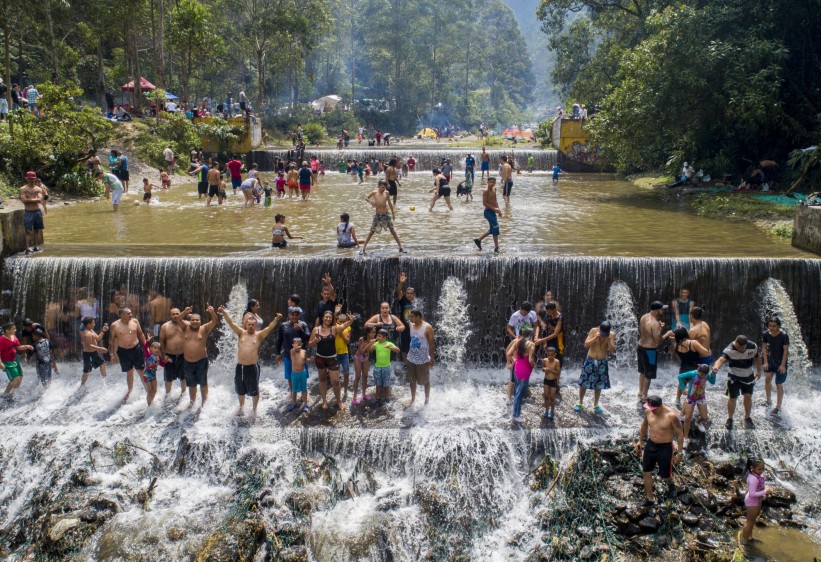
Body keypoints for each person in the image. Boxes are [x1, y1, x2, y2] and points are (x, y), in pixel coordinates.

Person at [219, 306, 283, 418]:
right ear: (246, 325)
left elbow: (269, 328)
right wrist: (224, 312)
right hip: (240, 366)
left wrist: (276, 319)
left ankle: (254, 410)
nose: (251, 326)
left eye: (253, 325)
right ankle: (241, 408)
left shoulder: (259, 335)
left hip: (252, 367)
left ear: (256, 326)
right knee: (240, 389)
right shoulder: (241, 333)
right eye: (249, 324)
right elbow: (231, 322)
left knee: (254, 390)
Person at [635, 396, 684, 506]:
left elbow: (680, 434)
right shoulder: (648, 411)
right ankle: (650, 499)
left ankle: (671, 483)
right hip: (651, 445)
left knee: (665, 476)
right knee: (646, 471)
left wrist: (680, 453)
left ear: (660, 406)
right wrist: (640, 441)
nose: (651, 410)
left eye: (654, 409)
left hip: (665, 448)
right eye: (650, 408)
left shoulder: (671, 416)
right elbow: (644, 425)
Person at [711, 335, 761, 429]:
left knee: (748, 396)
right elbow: (721, 360)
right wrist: (716, 367)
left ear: (746, 344)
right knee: (733, 398)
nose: (741, 349)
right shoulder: (730, 349)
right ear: (735, 342)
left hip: (748, 375)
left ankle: (747, 417)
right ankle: (730, 418)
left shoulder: (752, 346)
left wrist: (758, 371)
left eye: (743, 347)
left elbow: (758, 357)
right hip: (733, 376)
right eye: (739, 347)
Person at [310, 305, 355, 410]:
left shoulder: (334, 329)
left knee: (335, 381)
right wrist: (314, 341)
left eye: (330, 317)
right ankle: (324, 401)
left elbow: (344, 326)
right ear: (322, 318)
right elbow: (310, 344)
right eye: (326, 317)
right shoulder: (316, 329)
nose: (328, 319)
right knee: (322, 379)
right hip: (320, 358)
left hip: (332, 358)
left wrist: (351, 320)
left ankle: (338, 401)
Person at [178, 305, 219, 409]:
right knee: (191, 384)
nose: (195, 321)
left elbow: (214, 321)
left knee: (203, 383)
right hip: (187, 361)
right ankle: (192, 402)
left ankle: (204, 403)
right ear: (190, 320)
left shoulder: (204, 328)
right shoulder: (185, 328)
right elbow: (178, 319)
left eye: (197, 320)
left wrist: (212, 312)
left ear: (200, 321)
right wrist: (184, 312)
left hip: (201, 361)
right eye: (193, 320)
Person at [663, 327, 711, 409]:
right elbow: (706, 353)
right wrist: (709, 349)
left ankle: (677, 400)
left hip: (683, 368)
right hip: (695, 370)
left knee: (682, 384)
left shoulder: (676, 346)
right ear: (686, 334)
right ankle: (694, 404)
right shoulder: (693, 343)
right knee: (695, 387)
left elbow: (679, 359)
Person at [575, 321, 616, 414]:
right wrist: (595, 337)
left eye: (605, 334)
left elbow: (612, 350)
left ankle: (596, 404)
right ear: (599, 328)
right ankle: (580, 402)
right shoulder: (593, 331)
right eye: (602, 333)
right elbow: (586, 345)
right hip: (590, 360)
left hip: (602, 362)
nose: (603, 335)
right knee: (584, 383)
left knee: (599, 384)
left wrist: (609, 340)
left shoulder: (611, 335)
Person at [109, 307, 147, 402]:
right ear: (122, 315)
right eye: (128, 313)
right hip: (123, 351)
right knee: (129, 373)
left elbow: (141, 334)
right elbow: (111, 341)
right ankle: (130, 391)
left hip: (136, 349)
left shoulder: (135, 321)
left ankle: (148, 390)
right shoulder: (115, 325)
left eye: (131, 313)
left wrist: (147, 347)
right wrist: (111, 354)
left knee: (141, 371)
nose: (131, 315)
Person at [360, 180, 407, 255]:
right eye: (382, 187)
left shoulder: (387, 193)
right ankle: (363, 249)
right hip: (377, 215)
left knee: (393, 231)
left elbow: (390, 203)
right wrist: (371, 202)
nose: (383, 189)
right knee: (371, 232)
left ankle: (401, 247)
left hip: (386, 214)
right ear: (378, 186)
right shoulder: (374, 192)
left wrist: (393, 213)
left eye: (384, 187)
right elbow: (366, 198)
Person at [677, 364, 716, 446]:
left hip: (701, 397)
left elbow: (713, 382)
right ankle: (686, 438)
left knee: (705, 417)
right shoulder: (692, 373)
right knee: (687, 418)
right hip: (691, 397)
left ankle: (698, 422)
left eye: (704, 375)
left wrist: (713, 374)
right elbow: (680, 376)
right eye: (700, 374)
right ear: (698, 370)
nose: (702, 376)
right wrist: (683, 388)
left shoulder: (707, 375)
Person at [276, 307, 311, 398]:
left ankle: (303, 397)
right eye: (292, 314)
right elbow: (279, 340)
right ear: (289, 315)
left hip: (301, 358)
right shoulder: (283, 326)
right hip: (288, 356)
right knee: (290, 377)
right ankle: (293, 394)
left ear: (299, 315)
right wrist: (277, 353)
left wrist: (300, 330)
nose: (294, 317)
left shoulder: (303, 325)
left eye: (297, 315)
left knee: (302, 376)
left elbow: (308, 338)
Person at [506, 302, 537, 400]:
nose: (525, 314)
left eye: (526, 312)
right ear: (520, 309)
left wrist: (536, 336)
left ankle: (522, 391)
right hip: (518, 340)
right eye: (523, 311)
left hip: (526, 342)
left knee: (523, 371)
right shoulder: (515, 316)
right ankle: (512, 396)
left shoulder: (532, 314)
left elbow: (536, 325)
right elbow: (509, 328)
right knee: (513, 377)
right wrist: (516, 337)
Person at [637, 301, 667, 402]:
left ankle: (640, 392)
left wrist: (658, 327)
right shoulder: (655, 324)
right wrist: (664, 332)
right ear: (657, 310)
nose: (663, 311)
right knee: (648, 374)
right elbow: (657, 341)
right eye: (662, 309)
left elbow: (646, 331)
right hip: (650, 351)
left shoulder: (644, 317)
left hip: (640, 346)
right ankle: (644, 396)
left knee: (642, 371)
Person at [406, 309, 435, 407]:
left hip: (423, 359)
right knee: (411, 380)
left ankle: (426, 400)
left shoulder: (427, 327)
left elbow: (431, 344)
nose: (410, 318)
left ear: (418, 317)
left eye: (412, 316)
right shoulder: (411, 325)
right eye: (410, 316)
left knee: (425, 381)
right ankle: (413, 398)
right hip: (411, 358)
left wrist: (432, 358)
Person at [740, 456, 771, 546]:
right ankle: (744, 542)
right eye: (759, 469)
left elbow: (761, 486)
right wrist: (765, 492)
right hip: (752, 501)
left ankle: (749, 538)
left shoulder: (759, 475)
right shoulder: (752, 479)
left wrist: (766, 488)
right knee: (749, 522)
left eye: (763, 469)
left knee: (753, 520)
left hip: (758, 500)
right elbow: (752, 493)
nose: (761, 471)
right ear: (752, 468)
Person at [761, 317, 789, 415]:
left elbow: (786, 351)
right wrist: (765, 361)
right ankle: (768, 401)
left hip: (781, 362)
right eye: (770, 326)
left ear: (778, 326)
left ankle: (778, 406)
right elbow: (764, 347)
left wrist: (782, 365)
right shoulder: (766, 334)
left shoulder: (783, 335)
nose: (771, 328)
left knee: (778, 384)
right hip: (771, 360)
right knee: (767, 379)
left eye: (774, 326)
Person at [508, 328, 535, 423]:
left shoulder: (517, 342)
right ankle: (516, 415)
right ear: (531, 335)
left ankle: (514, 410)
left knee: (516, 390)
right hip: (525, 371)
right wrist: (533, 365)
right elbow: (530, 360)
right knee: (519, 394)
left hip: (517, 369)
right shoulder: (531, 345)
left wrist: (514, 360)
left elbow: (508, 353)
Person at [159, 308, 188, 395]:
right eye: (173, 314)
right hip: (169, 356)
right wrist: (163, 356)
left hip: (183, 355)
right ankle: (168, 396)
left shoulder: (186, 324)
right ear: (170, 316)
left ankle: (184, 395)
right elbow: (161, 342)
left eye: (177, 314)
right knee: (168, 378)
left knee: (184, 378)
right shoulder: (165, 326)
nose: (175, 316)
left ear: (181, 314)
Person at [367, 329, 400, 405]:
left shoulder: (389, 343)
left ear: (385, 337)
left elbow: (398, 350)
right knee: (378, 384)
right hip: (377, 367)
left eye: (379, 336)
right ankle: (377, 398)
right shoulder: (376, 344)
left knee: (386, 384)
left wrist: (390, 347)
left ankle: (387, 397)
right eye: (377, 336)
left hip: (387, 367)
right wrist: (370, 343)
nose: (377, 337)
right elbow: (370, 351)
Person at [1, 322, 33, 397]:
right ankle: (5, 395)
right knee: (15, 378)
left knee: (20, 377)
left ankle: (13, 394)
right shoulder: (2, 340)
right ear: (7, 331)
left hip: (15, 360)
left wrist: (26, 346)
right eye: (13, 329)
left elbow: (18, 347)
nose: (15, 330)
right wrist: (0, 363)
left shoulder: (14, 337)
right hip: (7, 362)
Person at [473, 177, 502, 252]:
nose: (492, 184)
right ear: (487, 182)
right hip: (488, 212)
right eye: (491, 182)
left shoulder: (494, 189)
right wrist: (494, 209)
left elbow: (495, 200)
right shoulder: (485, 191)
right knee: (495, 227)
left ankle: (478, 240)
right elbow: (484, 203)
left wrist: (499, 210)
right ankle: (496, 247)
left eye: (493, 182)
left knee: (493, 228)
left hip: (493, 211)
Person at [393, 272, 417, 361]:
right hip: (405, 327)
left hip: (415, 328)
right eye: (408, 293)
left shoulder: (418, 303)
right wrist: (401, 282)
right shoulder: (403, 301)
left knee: (415, 345)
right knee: (404, 347)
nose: (409, 295)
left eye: (411, 293)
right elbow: (399, 291)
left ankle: (414, 362)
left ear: (414, 294)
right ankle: (406, 364)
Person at [20, 171, 45, 255]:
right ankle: (27, 248)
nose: (31, 180)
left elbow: (40, 199)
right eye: (30, 179)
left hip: (37, 211)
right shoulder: (23, 189)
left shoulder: (38, 189)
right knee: (28, 230)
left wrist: (29, 199)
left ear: (35, 179)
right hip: (28, 211)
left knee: (37, 229)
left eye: (33, 179)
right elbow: (24, 201)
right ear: (27, 179)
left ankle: (36, 246)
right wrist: (34, 200)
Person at [80, 317, 109, 385]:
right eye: (93, 323)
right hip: (88, 354)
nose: (94, 324)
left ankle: (104, 381)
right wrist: (100, 349)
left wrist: (103, 331)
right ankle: (82, 385)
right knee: (87, 371)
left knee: (102, 363)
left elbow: (98, 338)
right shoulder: (87, 333)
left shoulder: (91, 331)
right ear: (88, 324)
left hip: (94, 353)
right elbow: (89, 345)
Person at [352, 326, 376, 406]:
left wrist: (372, 344)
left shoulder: (373, 340)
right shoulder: (362, 339)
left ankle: (364, 394)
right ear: (368, 333)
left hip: (366, 358)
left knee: (365, 376)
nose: (373, 334)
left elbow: (371, 351)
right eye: (372, 332)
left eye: (374, 332)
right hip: (358, 358)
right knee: (358, 376)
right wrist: (370, 343)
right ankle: (354, 396)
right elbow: (361, 351)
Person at [335, 312, 353, 401]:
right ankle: (337, 391)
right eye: (340, 321)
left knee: (346, 373)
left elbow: (347, 341)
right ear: (337, 321)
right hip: (335, 354)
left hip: (344, 353)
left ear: (346, 321)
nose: (341, 323)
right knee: (336, 374)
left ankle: (345, 391)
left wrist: (342, 333)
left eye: (343, 322)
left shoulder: (348, 328)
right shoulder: (334, 327)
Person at [288, 338, 310, 413]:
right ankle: (294, 403)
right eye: (295, 343)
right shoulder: (292, 351)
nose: (297, 345)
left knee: (304, 389)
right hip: (294, 374)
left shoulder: (304, 351)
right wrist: (296, 347)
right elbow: (294, 350)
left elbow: (306, 360)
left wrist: (311, 359)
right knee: (294, 390)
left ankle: (306, 404)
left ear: (302, 345)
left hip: (302, 373)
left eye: (299, 343)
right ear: (292, 345)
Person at [140, 339, 162, 406]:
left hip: (153, 375)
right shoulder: (148, 355)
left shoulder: (159, 357)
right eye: (155, 348)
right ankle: (149, 405)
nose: (156, 350)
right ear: (151, 348)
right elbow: (145, 348)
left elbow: (162, 364)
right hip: (147, 374)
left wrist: (167, 360)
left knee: (154, 390)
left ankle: (151, 402)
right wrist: (147, 341)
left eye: (158, 348)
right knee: (149, 391)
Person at [542, 347, 561, 419]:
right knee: (546, 396)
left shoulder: (557, 362)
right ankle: (546, 410)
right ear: (546, 354)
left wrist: (549, 370)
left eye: (552, 355)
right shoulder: (545, 360)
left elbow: (558, 372)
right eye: (548, 355)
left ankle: (552, 411)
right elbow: (542, 368)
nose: (550, 356)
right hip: (546, 380)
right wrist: (544, 369)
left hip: (553, 381)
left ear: (555, 355)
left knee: (552, 398)